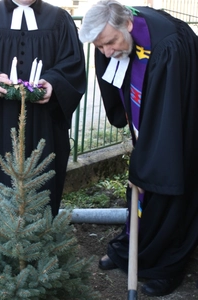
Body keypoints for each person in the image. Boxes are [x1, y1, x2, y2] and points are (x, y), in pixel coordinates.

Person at [79, 0, 198, 297]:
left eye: (109, 43)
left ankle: (166, 265)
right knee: (142, 190)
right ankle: (131, 248)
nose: (106, 53)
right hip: (148, 123)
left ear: (128, 25)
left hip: (177, 132)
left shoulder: (169, 45)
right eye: (99, 47)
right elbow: (115, 66)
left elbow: (168, 118)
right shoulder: (119, 35)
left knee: (165, 189)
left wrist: (143, 167)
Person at [0, 0, 86, 217]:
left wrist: (53, 83)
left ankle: (43, 240)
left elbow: (73, 62)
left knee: (45, 181)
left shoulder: (59, 19)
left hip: (45, 121)